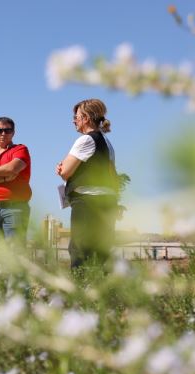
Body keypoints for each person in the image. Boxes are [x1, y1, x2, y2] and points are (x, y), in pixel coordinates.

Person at [56, 99, 118, 271]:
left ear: (86, 118)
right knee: (101, 252)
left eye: (76, 117)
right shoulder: (107, 143)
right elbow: (113, 175)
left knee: (80, 250)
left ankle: (81, 293)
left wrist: (61, 168)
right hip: (107, 201)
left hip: (87, 202)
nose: (73, 121)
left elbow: (66, 171)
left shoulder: (85, 140)